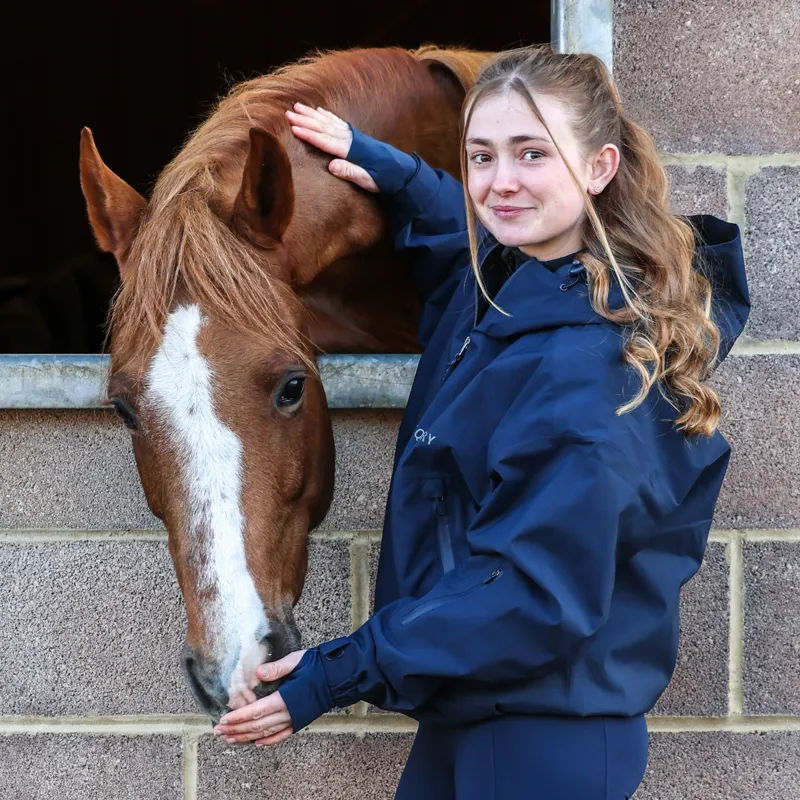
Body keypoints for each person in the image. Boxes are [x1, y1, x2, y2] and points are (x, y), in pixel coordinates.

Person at [212, 46, 750, 799]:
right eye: (480, 156)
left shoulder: (586, 368)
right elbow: (459, 252)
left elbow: (531, 592)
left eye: (532, 154)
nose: (499, 183)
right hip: (484, 716)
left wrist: (335, 674)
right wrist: (392, 173)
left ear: (598, 167)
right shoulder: (518, 287)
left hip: (542, 737)